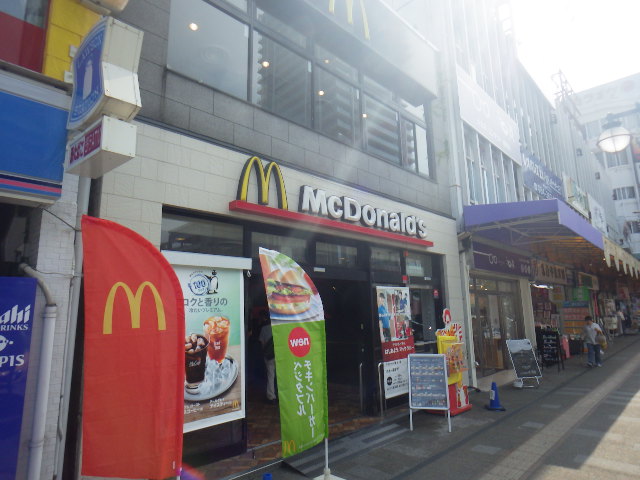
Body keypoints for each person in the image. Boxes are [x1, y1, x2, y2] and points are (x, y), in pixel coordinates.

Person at [258, 314, 276, 404]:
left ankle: (271, 396)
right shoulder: (279, 328)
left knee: (270, 376)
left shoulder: (264, 329)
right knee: (280, 376)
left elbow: (262, 342)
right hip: (280, 355)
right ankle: (282, 395)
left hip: (269, 356)